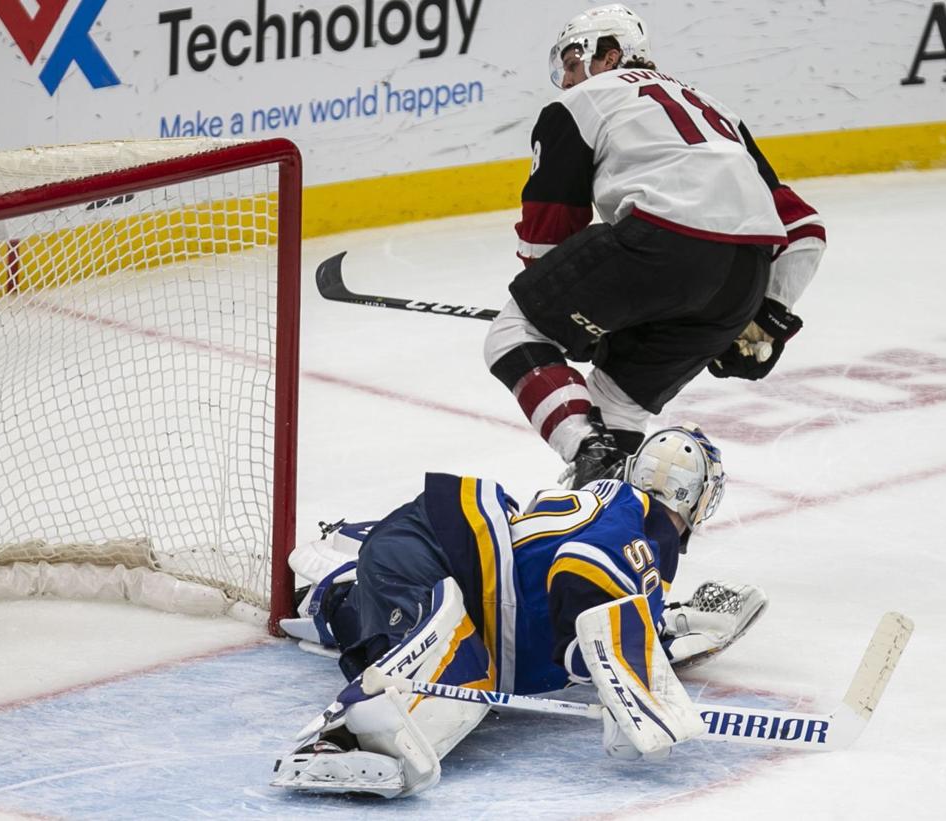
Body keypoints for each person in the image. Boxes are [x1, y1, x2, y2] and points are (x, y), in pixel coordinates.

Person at [272, 424, 767, 798]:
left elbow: (600, 612)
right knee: (463, 674)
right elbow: (583, 569)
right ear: (696, 497)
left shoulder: (622, 515)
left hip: (435, 553)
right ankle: (339, 742)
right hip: (438, 553)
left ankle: (336, 597)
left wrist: (652, 641)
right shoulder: (639, 532)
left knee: (425, 636)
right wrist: (620, 677)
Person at [483, 4, 826, 488]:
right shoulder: (716, 110)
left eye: (574, 63)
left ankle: (588, 451)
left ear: (611, 54)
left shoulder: (580, 103)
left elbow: (549, 231)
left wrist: (557, 314)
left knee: (515, 333)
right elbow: (805, 228)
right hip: (743, 280)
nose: (567, 79)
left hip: (661, 246)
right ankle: (607, 510)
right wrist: (768, 315)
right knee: (618, 401)